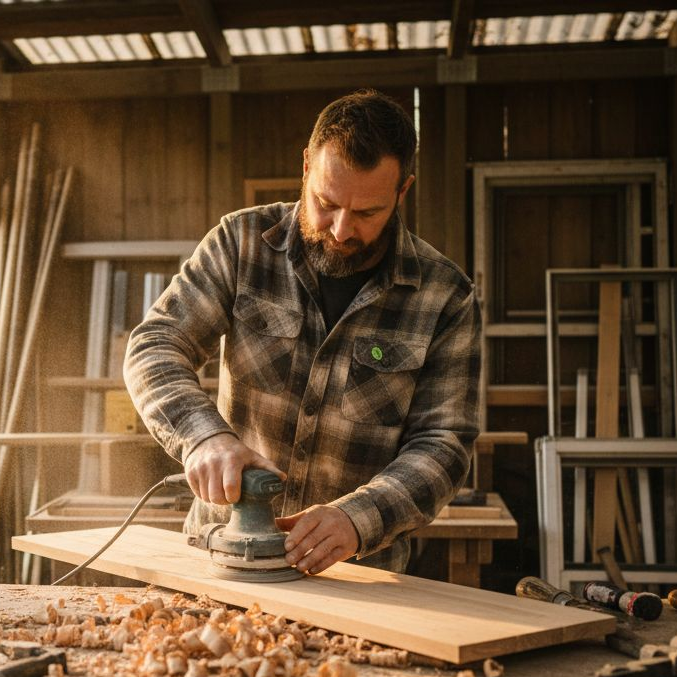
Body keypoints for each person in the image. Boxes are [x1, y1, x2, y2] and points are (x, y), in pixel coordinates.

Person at [124, 88, 480, 580]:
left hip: (355, 574)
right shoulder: (240, 244)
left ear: (403, 191)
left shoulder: (445, 296)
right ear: (307, 165)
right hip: (223, 559)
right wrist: (203, 437)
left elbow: (444, 443)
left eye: (367, 213)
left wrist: (359, 518)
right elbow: (156, 345)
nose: (341, 229)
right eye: (326, 203)